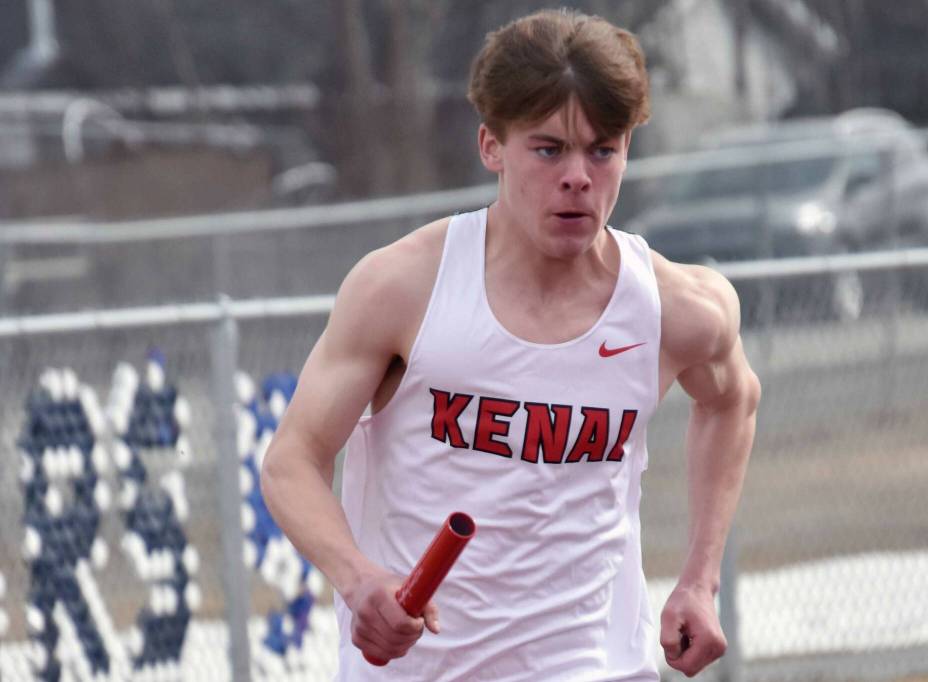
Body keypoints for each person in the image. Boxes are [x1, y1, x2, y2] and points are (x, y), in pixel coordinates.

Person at [261, 8, 760, 681]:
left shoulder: (675, 309)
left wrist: (700, 579)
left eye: (602, 150)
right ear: (492, 147)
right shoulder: (405, 287)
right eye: (549, 149)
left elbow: (734, 402)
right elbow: (291, 460)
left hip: (595, 666)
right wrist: (357, 579)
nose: (578, 176)